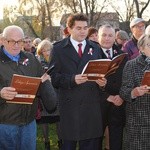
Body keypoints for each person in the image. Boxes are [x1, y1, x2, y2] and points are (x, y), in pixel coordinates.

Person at [49, 13, 107, 150]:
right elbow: (54, 78)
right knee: (68, 145)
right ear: (69, 29)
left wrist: (103, 84)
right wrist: (71, 79)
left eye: (85, 28)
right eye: (78, 28)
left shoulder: (95, 48)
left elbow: (103, 72)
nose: (83, 31)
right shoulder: (58, 49)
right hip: (70, 108)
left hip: (91, 108)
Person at [0, 25, 57, 150]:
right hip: (5, 123)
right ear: (2, 41)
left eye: (19, 41)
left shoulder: (30, 58)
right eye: (11, 41)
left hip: (29, 123)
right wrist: (0, 93)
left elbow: (41, 78)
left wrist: (45, 82)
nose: (16, 45)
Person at [98, 24, 127, 150]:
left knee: (116, 142)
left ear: (115, 37)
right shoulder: (92, 56)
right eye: (104, 35)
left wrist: (122, 96)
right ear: (98, 37)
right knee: (95, 142)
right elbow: (88, 83)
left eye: (110, 35)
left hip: (118, 105)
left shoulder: (122, 55)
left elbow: (126, 79)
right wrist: (107, 97)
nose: (107, 38)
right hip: (98, 106)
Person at [120, 34, 150, 150]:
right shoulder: (131, 65)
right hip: (139, 122)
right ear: (141, 48)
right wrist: (134, 92)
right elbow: (123, 91)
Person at [36, 39, 60, 150]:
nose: (47, 52)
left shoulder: (57, 61)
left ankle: (61, 141)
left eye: (49, 49)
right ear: (40, 52)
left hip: (56, 93)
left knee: (58, 119)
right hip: (43, 96)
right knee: (44, 120)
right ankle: (46, 142)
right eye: (44, 50)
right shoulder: (37, 63)